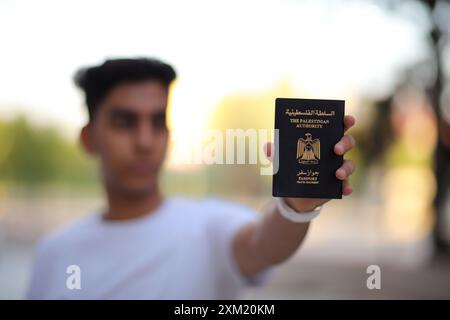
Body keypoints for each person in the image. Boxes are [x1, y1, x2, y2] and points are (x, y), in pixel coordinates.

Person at [27, 58, 356, 299]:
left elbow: (264, 244)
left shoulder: (209, 226)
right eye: (125, 122)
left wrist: (296, 204)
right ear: (89, 138)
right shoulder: (54, 254)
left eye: (157, 123)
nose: (145, 141)